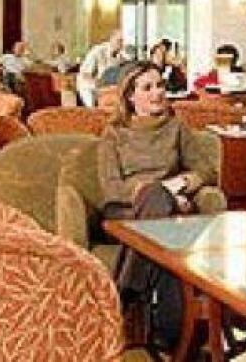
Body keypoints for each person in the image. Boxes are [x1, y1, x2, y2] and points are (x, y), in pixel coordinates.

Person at [98, 61, 218, 348]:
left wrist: (179, 186)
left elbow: (206, 171)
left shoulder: (177, 128)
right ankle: (174, 337)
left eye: (160, 85)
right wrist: (156, 192)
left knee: (166, 243)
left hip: (168, 211)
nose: (158, 93)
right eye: (148, 87)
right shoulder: (113, 133)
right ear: (131, 96)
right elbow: (112, 188)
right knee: (156, 200)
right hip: (125, 211)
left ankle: (130, 288)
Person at [77, 30, 123, 106]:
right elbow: (85, 74)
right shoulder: (98, 51)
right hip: (90, 85)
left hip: (108, 85)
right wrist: (100, 85)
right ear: (111, 39)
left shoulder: (121, 56)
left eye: (123, 42)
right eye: (119, 40)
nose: (121, 44)